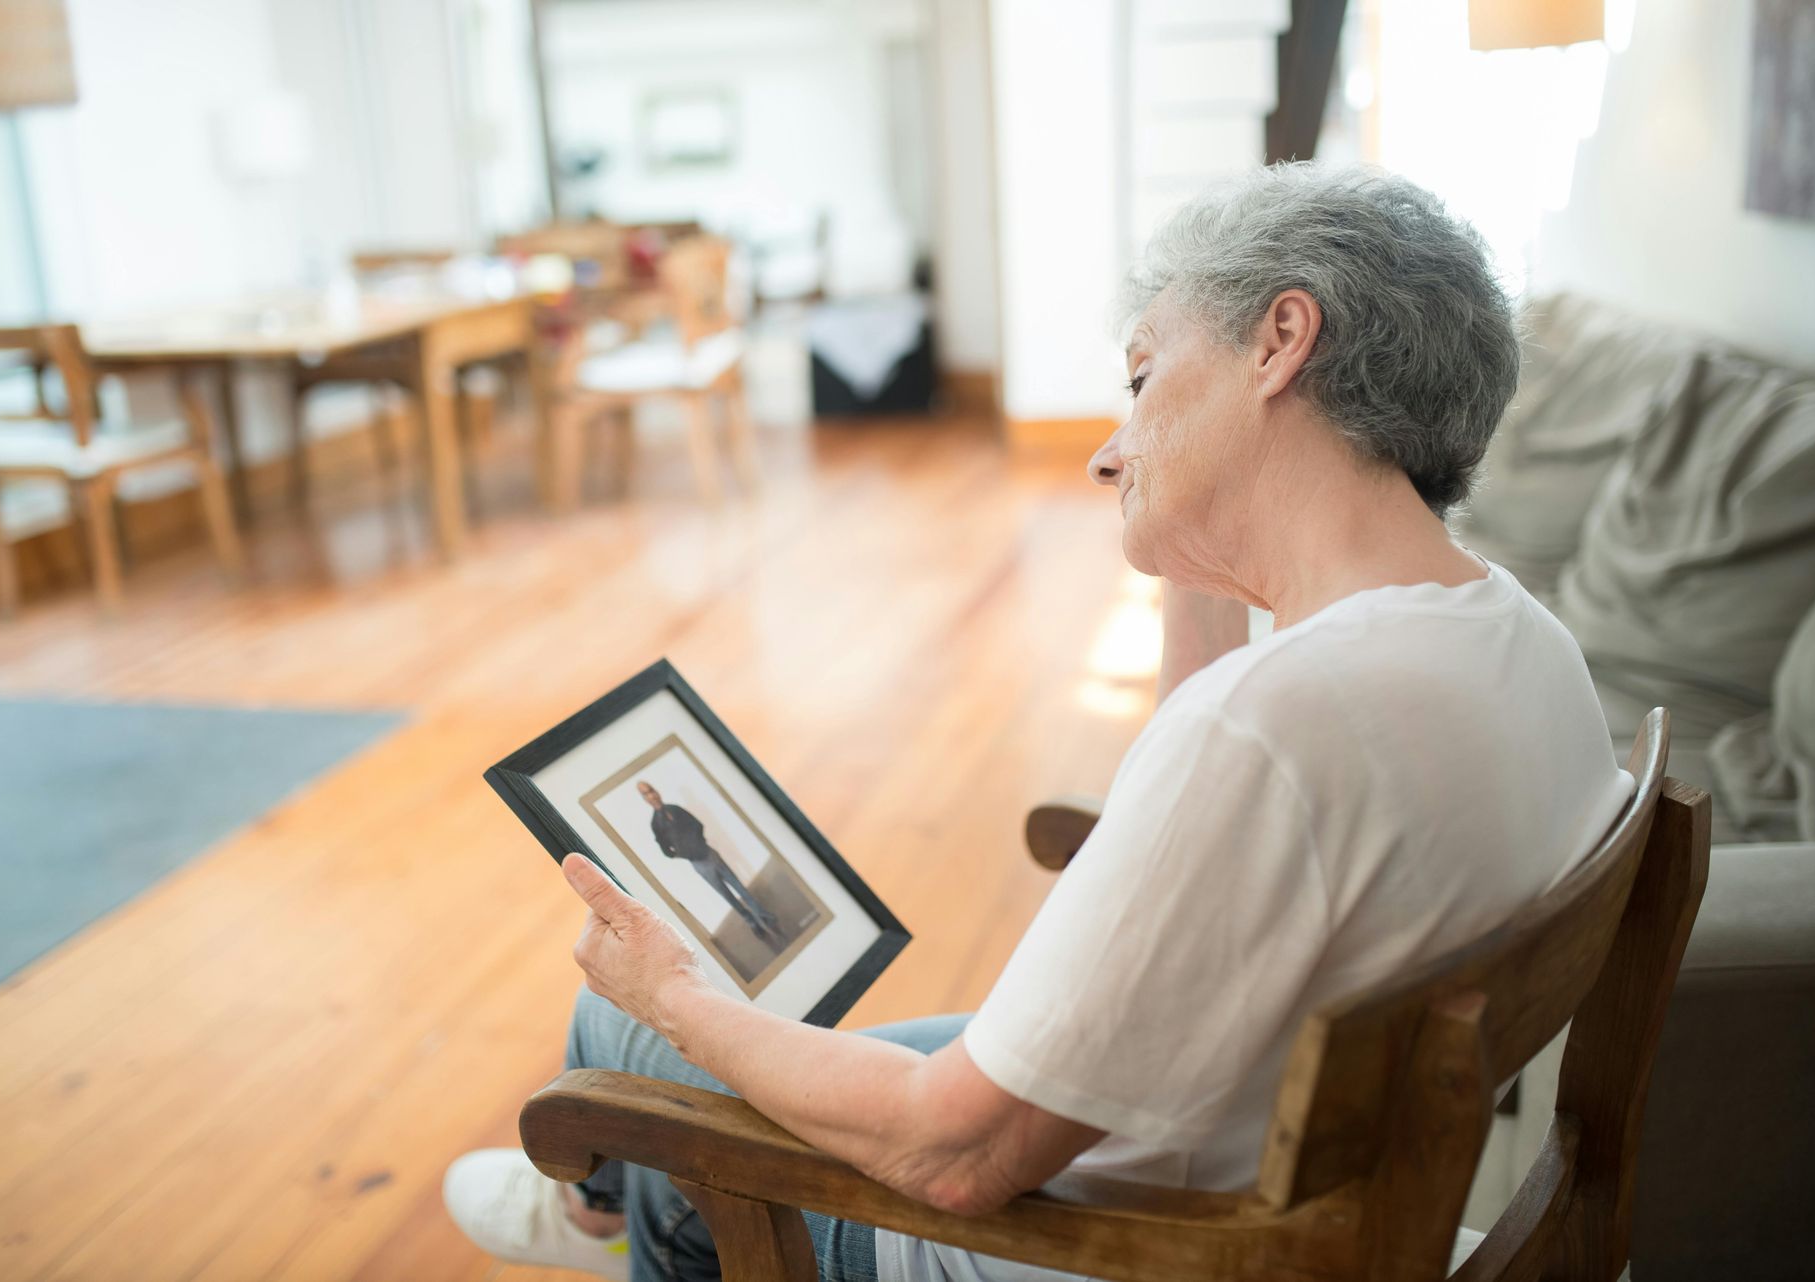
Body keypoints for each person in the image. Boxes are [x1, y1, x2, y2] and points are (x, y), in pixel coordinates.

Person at [442, 163, 1634, 1282]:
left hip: (1095, 1237)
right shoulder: (1522, 645)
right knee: (687, 1054)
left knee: (632, 1036)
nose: (1112, 447)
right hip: (1252, 1148)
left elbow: (954, 1156)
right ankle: (603, 1210)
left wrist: (675, 998)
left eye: (1142, 377)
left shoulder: (1271, 732)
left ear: (1280, 341)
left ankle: (595, 1209)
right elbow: (1229, 795)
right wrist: (1197, 519)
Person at [637, 780, 783, 946]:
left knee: (739, 888)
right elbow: (665, 850)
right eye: (646, 794)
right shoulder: (656, 824)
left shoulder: (675, 809)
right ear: (645, 799)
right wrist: (685, 853)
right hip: (700, 865)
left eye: (651, 790)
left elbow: (697, 824)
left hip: (710, 854)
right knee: (727, 895)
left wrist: (698, 842)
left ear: (657, 791)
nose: (652, 795)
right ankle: (752, 922)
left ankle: (764, 916)